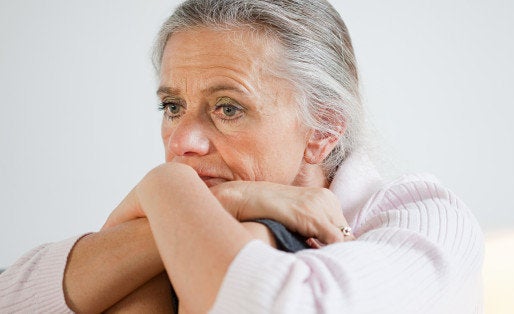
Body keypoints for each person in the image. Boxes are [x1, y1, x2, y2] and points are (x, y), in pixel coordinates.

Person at [0, 0, 484, 313]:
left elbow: (271, 304)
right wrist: (225, 202)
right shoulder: (182, 219)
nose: (183, 142)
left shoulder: (427, 219)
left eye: (227, 108)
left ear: (322, 130)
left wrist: (166, 186)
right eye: (172, 106)